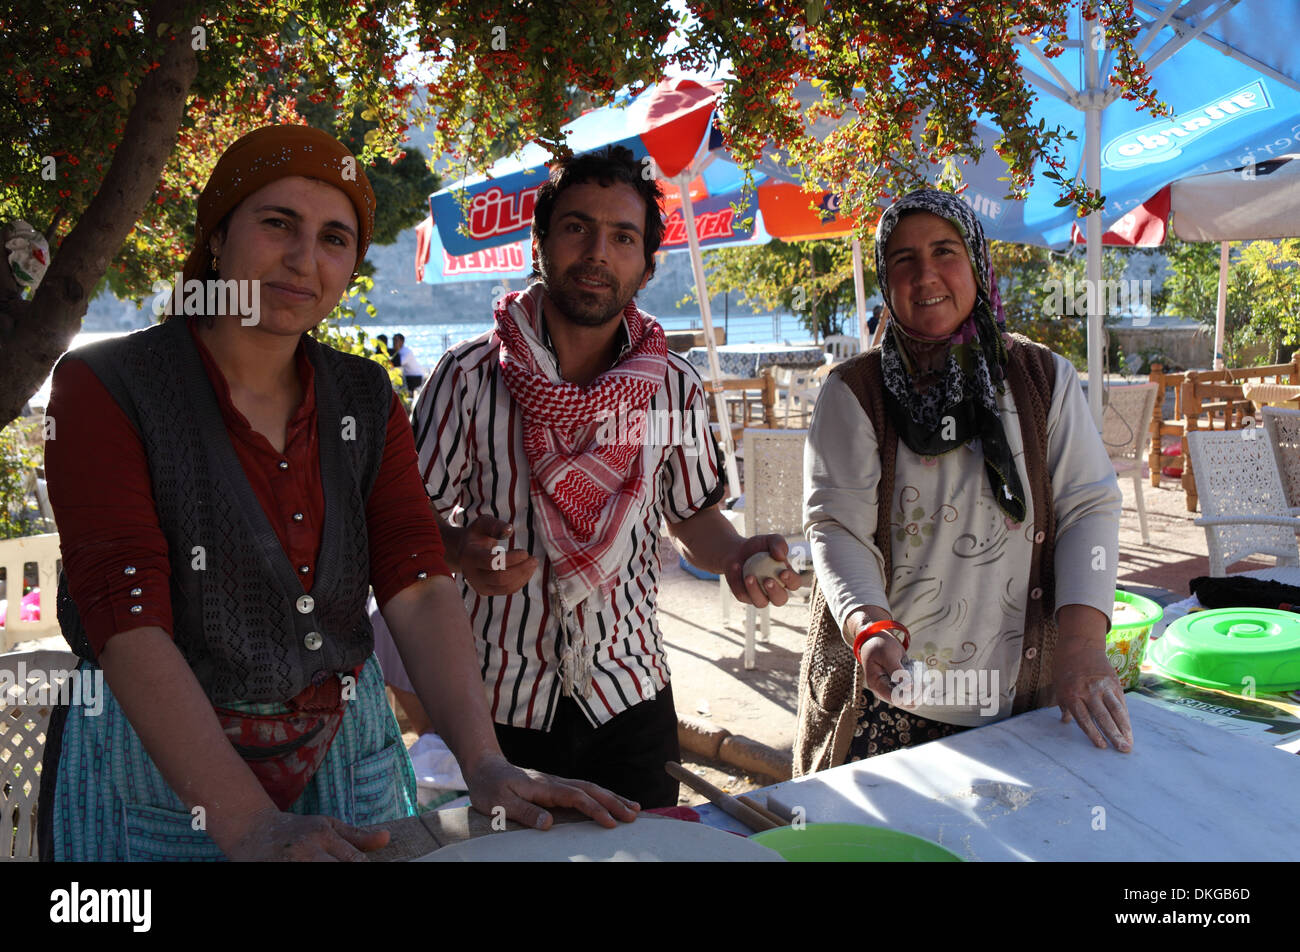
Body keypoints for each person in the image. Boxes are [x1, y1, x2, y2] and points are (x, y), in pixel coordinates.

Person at [39, 124, 636, 862]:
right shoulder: (104, 388)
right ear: (218, 236)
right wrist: (247, 825)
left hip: (347, 756)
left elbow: (416, 585)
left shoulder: (363, 395)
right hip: (163, 771)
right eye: (277, 224)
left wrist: (484, 762)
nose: (302, 259)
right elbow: (128, 622)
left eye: (334, 239)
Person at [412, 146, 804, 808]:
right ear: (539, 242)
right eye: (576, 228)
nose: (598, 252)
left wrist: (736, 554)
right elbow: (404, 524)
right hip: (493, 711)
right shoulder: (466, 377)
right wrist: (458, 551)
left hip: (630, 699)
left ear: (647, 266)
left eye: (623, 237)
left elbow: (691, 516)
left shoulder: (672, 387)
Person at [795, 188, 1129, 775]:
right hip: (891, 696)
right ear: (885, 280)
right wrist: (869, 627)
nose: (926, 274)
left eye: (945, 251)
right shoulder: (854, 391)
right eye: (903, 259)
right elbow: (836, 526)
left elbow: (1088, 509)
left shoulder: (1042, 377)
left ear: (976, 262)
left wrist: (1081, 649)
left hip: (1020, 695)